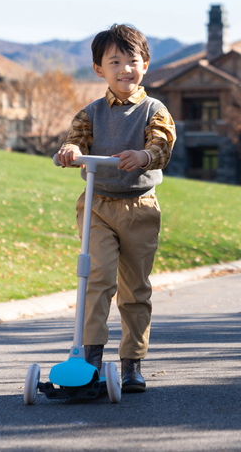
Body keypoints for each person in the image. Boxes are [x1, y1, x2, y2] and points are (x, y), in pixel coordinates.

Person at [56, 23, 176, 394]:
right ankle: (88, 359)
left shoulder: (155, 110)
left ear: (146, 64)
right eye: (115, 62)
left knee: (135, 289)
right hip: (98, 205)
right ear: (99, 70)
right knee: (96, 280)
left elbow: (162, 144)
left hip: (140, 207)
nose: (125, 69)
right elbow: (75, 142)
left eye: (132, 61)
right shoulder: (90, 113)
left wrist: (143, 155)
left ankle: (132, 363)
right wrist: (70, 153)